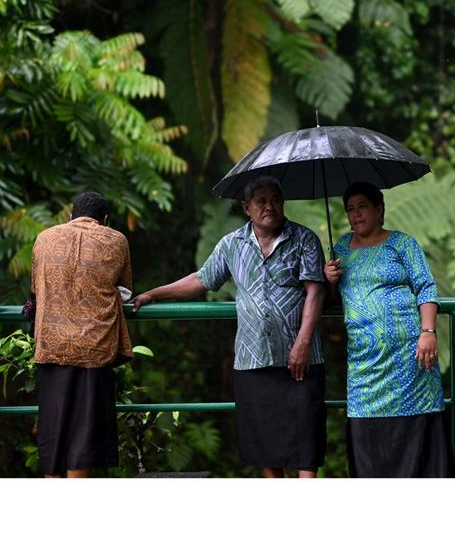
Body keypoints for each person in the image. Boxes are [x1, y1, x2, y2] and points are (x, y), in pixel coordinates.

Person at [131, 176, 326, 478]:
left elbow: (316, 291)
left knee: (306, 445)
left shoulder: (304, 239)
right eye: (262, 201)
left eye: (275, 199)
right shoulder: (231, 244)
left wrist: (302, 343)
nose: (270, 206)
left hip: (299, 358)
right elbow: (200, 280)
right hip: (253, 359)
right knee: (266, 446)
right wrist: (154, 293)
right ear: (247, 208)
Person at [323, 181, 454, 477]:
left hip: (410, 358)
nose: (355, 215)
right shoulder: (341, 248)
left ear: (379, 210)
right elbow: (331, 301)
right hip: (365, 363)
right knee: (365, 427)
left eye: (362, 207)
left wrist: (428, 332)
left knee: (416, 426)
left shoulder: (402, 244)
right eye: (350, 209)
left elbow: (426, 287)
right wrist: (328, 279)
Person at [30, 192, 133, 478]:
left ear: (69, 217)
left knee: (54, 427)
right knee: (84, 433)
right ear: (106, 220)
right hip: (96, 348)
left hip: (51, 345)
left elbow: (37, 288)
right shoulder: (117, 239)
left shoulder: (44, 238)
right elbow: (124, 290)